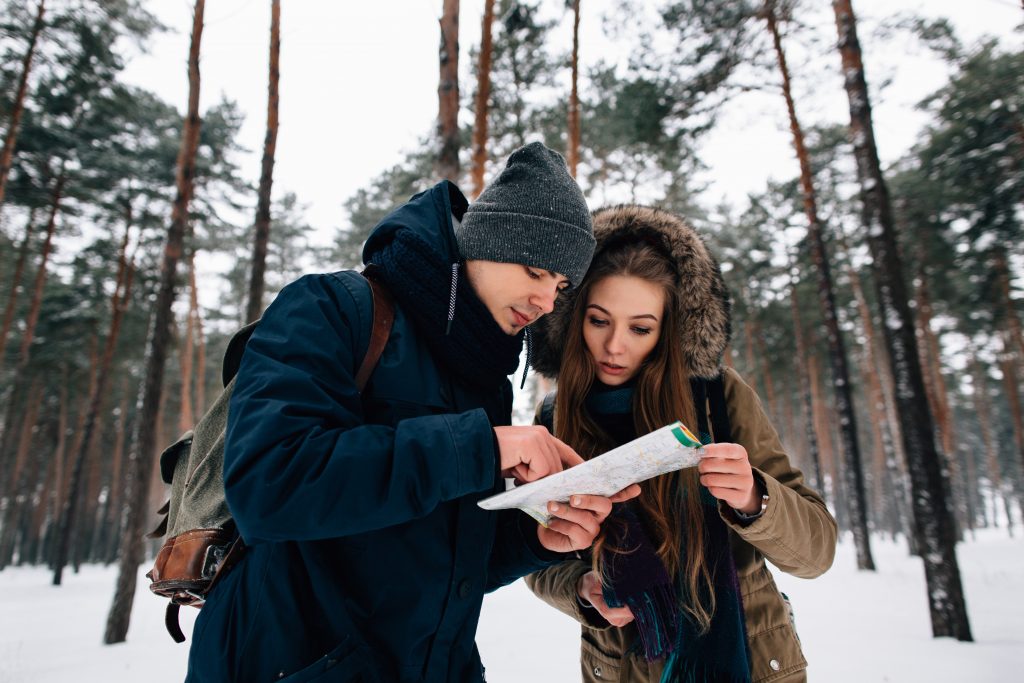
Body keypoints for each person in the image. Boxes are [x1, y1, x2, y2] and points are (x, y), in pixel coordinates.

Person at [185, 142, 640, 682]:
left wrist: (534, 540)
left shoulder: (483, 377)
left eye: (562, 287)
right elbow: (269, 485)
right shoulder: (331, 310)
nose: (547, 301)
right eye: (536, 270)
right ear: (486, 242)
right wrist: (482, 447)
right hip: (287, 662)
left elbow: (436, 558)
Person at [525, 205, 838, 683]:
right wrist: (583, 590)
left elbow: (816, 552)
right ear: (573, 318)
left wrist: (755, 497)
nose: (614, 347)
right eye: (599, 320)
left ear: (668, 331)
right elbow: (536, 555)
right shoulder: (553, 418)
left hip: (746, 662)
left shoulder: (719, 397)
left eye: (640, 328)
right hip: (621, 667)